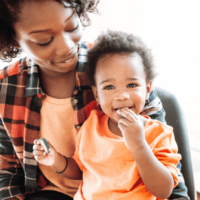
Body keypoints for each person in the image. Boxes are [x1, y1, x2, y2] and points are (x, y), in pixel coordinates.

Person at [0, 0, 189, 200]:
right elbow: (8, 171)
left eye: (71, 27)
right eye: (44, 40)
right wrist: (55, 160)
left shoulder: (117, 65)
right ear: (14, 40)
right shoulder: (6, 87)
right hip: (54, 192)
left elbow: (167, 170)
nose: (66, 48)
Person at [33, 30, 181, 200]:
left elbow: (163, 190)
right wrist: (56, 160)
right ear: (97, 95)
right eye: (109, 87)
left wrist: (139, 145)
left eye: (132, 85)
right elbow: (80, 171)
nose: (121, 95)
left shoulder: (158, 133)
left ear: (147, 90)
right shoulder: (91, 126)